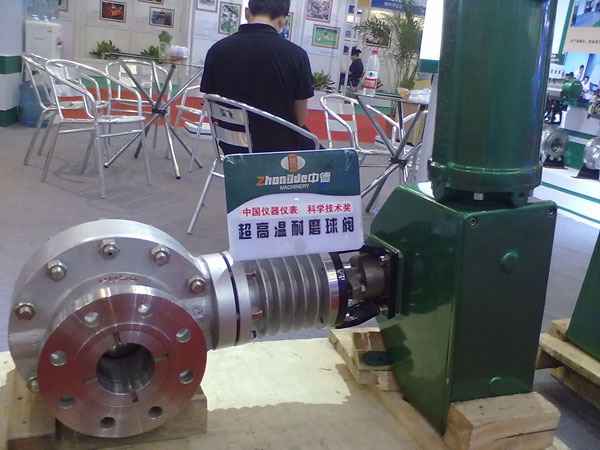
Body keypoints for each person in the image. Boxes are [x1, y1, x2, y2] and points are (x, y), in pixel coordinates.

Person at [200, 0, 314, 153]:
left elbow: (211, 102)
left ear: (247, 13)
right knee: (322, 153)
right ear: (283, 20)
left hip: (232, 147)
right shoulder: (297, 55)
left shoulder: (217, 50)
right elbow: (300, 119)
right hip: (279, 151)